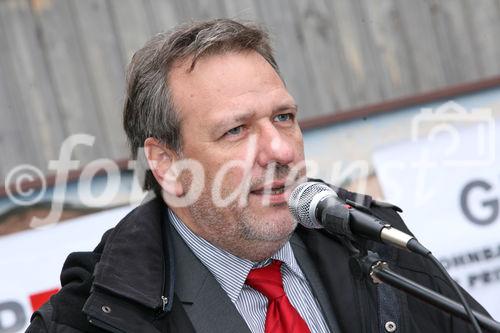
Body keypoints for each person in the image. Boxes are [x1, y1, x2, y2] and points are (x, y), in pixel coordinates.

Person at [27, 19, 490, 333]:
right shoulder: (90, 318)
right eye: (236, 129)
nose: (281, 149)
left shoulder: (375, 242)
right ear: (166, 164)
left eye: (284, 117)